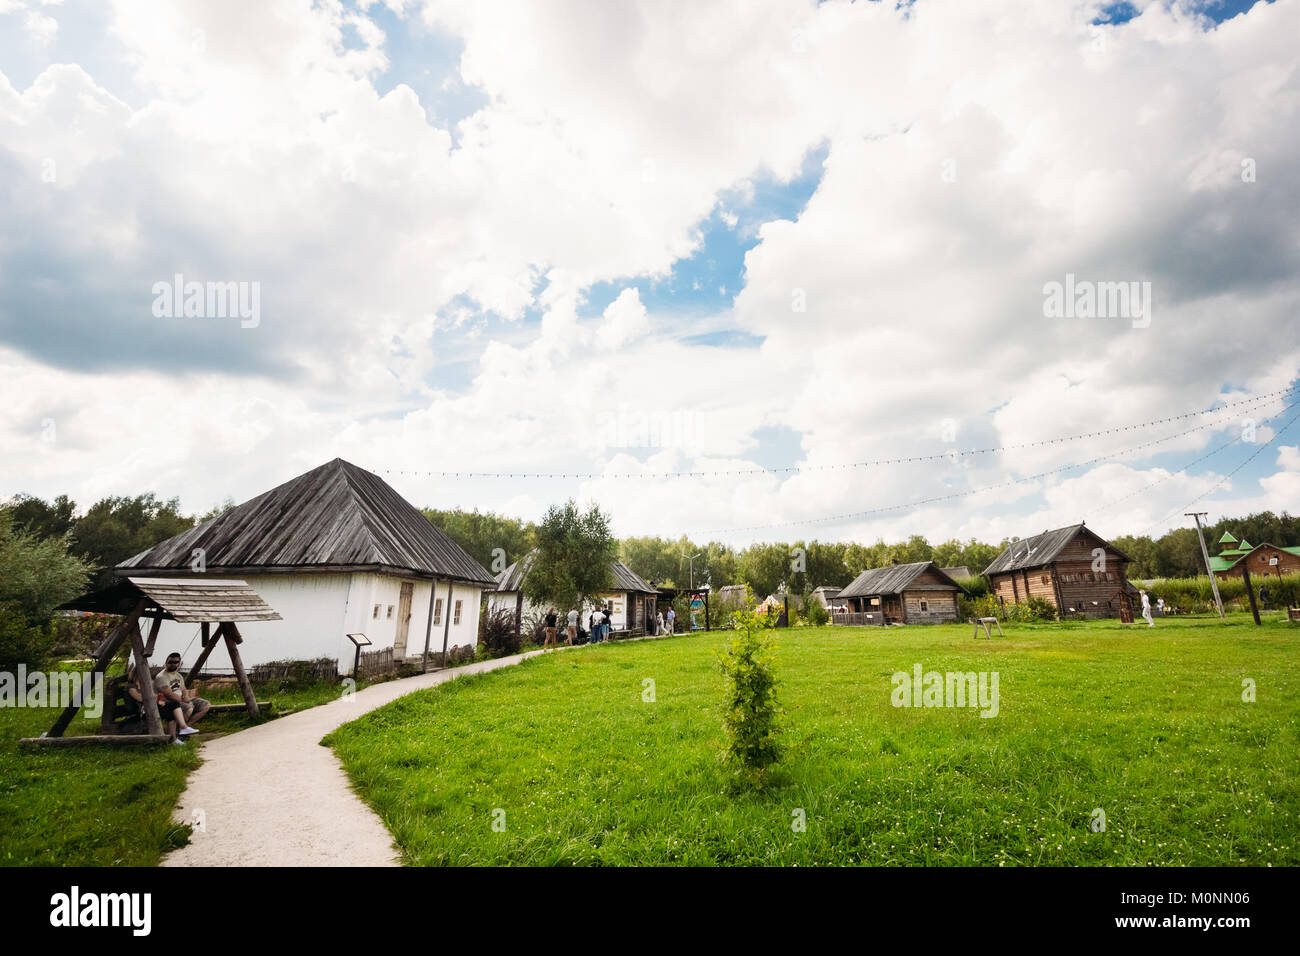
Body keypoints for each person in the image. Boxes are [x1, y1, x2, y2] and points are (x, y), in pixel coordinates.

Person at [153, 652, 202, 744]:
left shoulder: (178, 675)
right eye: (170, 662)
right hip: (167, 701)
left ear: (179, 663)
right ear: (166, 662)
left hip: (178, 700)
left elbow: (183, 689)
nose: (173, 664)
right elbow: (169, 695)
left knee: (205, 705)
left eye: (175, 662)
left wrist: (187, 697)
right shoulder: (161, 677)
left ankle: (183, 729)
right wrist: (184, 700)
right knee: (186, 707)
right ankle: (181, 731)